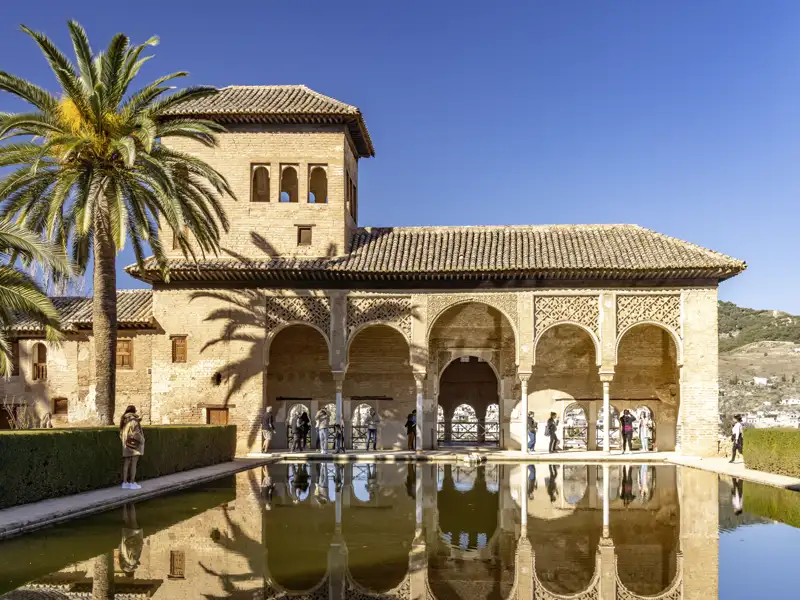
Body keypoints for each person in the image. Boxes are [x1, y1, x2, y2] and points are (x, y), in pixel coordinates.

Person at [120, 405, 144, 490]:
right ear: (134, 411)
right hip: (134, 445)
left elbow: (121, 433)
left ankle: (125, 482)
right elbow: (136, 433)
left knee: (126, 464)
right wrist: (142, 440)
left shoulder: (124, 420)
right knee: (134, 463)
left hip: (126, 444)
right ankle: (132, 483)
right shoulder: (133, 421)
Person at [119, 504, 143, 577]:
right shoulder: (129, 562)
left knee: (132, 519)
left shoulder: (133, 562)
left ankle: (130, 504)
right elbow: (127, 548)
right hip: (129, 537)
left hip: (134, 536)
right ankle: (126, 504)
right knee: (127, 520)